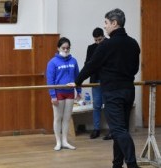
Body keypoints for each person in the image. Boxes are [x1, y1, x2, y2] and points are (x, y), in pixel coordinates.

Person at [74, 8, 140, 168]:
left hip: (113, 93)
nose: (105, 27)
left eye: (106, 23)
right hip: (128, 91)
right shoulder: (133, 43)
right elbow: (135, 69)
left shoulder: (106, 45)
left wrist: (77, 81)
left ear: (114, 23)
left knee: (118, 131)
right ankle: (117, 164)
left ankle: (132, 165)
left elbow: (91, 66)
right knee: (121, 130)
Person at [46, 37, 82, 151]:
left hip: (70, 93)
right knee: (58, 118)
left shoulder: (73, 61)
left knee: (67, 118)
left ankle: (65, 141)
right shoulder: (52, 62)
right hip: (58, 93)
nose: (66, 50)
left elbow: (78, 77)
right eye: (63, 48)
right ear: (58, 48)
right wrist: (53, 96)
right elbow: (50, 80)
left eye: (68, 48)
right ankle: (58, 142)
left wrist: (79, 91)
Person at [85, 27, 112, 140]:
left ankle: (112, 130)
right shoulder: (91, 48)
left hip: (107, 80)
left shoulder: (110, 44)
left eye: (100, 39)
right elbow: (87, 63)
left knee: (109, 106)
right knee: (96, 105)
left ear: (103, 36)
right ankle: (96, 129)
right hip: (95, 80)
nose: (97, 42)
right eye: (96, 40)